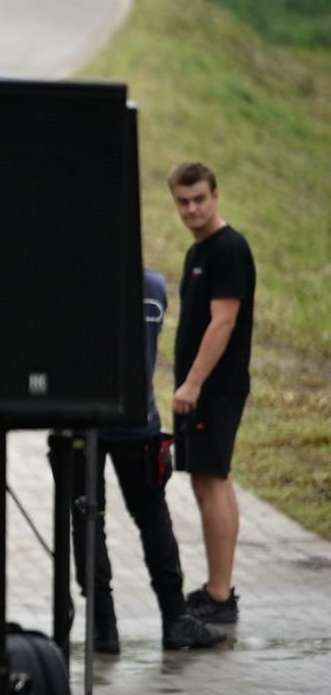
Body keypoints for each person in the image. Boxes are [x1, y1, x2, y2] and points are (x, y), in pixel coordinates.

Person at [49, 269, 226, 653]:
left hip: (81, 422)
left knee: (86, 523)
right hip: (136, 420)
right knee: (152, 518)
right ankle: (175, 617)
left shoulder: (71, 284)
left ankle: (104, 629)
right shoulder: (152, 286)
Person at [169, 161, 255, 625]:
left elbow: (224, 322)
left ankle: (220, 595)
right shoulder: (198, 251)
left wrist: (194, 383)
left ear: (216, 195)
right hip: (204, 389)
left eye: (199, 198)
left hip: (215, 389)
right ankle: (219, 589)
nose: (192, 208)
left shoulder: (227, 250)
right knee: (214, 479)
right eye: (183, 201)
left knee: (210, 481)